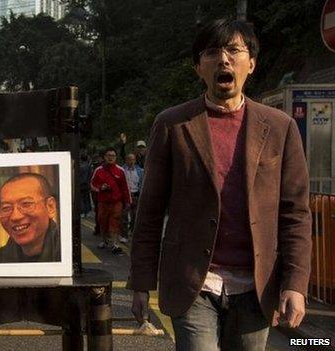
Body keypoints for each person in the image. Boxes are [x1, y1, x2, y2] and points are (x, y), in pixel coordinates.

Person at [131, 19, 311, 351]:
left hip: (257, 286)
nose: (224, 59)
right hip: (193, 283)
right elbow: (150, 210)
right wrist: (141, 282)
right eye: (212, 52)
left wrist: (295, 285)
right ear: (199, 67)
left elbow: (295, 213)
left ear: (251, 63)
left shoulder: (280, 127)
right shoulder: (172, 125)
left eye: (234, 50)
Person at [0, 173, 60, 263]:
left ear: (50, 207)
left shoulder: (68, 254)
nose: (15, 217)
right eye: (6, 208)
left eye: (26, 204)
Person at [90, 147, 131, 255]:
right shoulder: (98, 170)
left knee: (115, 221)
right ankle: (104, 240)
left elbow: (125, 187)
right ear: (104, 157)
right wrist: (100, 188)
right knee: (102, 221)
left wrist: (128, 201)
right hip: (103, 202)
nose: (110, 158)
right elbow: (92, 184)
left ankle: (114, 244)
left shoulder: (120, 171)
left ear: (116, 157)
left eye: (112, 156)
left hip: (116, 202)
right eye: (108, 155)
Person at [120, 153, 143, 243]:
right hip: (126, 196)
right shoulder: (122, 170)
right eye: (129, 159)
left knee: (135, 216)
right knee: (124, 216)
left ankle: (132, 231)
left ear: (135, 160)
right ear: (126, 160)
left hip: (136, 195)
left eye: (133, 159)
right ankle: (124, 235)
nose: (131, 161)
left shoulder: (140, 170)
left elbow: (141, 183)